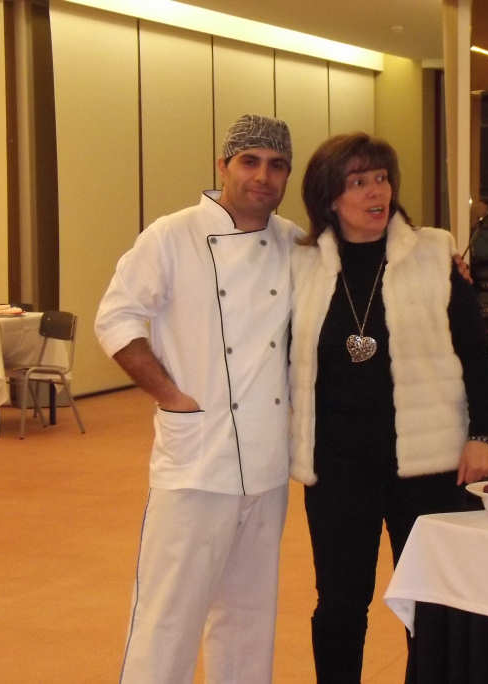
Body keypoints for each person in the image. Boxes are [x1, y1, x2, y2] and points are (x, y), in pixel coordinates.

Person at [288, 132, 488, 683]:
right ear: (330, 198)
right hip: (336, 468)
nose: (375, 192)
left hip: (429, 464)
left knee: (431, 604)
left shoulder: (434, 252)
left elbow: (476, 351)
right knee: (339, 603)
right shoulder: (300, 263)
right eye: (357, 182)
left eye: (381, 179)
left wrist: (483, 434)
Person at [94, 114, 298, 684]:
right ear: (223, 165)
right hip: (197, 458)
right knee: (167, 615)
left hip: (267, 464)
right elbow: (116, 318)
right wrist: (169, 395)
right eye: (250, 161)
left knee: (250, 615)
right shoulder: (172, 235)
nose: (263, 176)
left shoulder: (294, 241)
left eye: (277, 165)